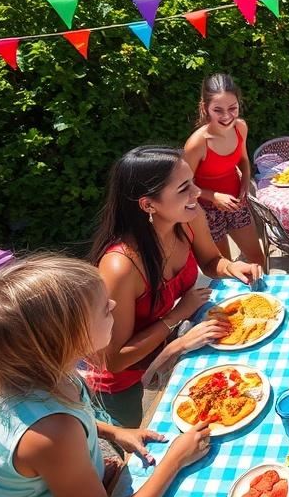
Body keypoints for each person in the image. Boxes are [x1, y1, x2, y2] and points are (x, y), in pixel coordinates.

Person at [0, 254, 211, 497]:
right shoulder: (52, 432)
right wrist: (175, 460)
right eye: (104, 308)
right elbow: (54, 437)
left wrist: (114, 432)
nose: (114, 303)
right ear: (66, 340)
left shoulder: (28, 370)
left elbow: (72, 423)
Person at [88, 146, 262, 427]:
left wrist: (230, 267)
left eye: (193, 182)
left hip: (166, 348)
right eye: (184, 188)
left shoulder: (189, 220)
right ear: (148, 205)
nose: (197, 193)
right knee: (139, 447)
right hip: (123, 383)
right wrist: (178, 318)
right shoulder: (120, 267)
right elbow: (113, 361)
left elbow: (210, 260)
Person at [182, 73, 265, 268]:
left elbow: (244, 160)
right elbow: (183, 187)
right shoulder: (196, 144)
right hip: (206, 211)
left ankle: (262, 296)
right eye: (218, 110)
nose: (227, 116)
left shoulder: (241, 128)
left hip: (236, 202)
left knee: (257, 258)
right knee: (224, 267)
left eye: (232, 108)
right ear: (205, 108)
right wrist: (213, 196)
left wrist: (245, 181)